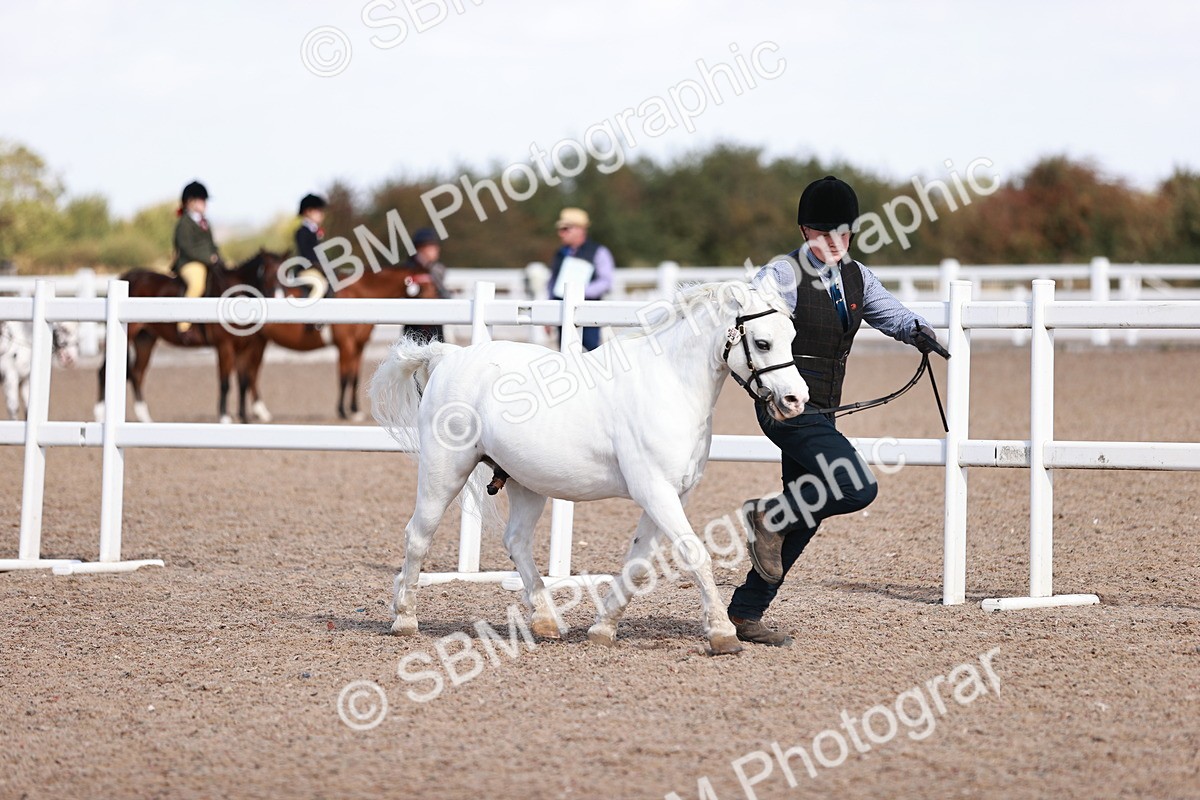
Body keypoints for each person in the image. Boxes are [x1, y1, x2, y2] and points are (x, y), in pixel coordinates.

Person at [727, 175, 948, 647]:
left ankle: (746, 613)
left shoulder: (856, 276)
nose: (835, 244)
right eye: (825, 235)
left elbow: (889, 311)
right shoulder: (778, 278)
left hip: (824, 409)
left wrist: (920, 332)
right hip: (785, 408)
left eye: (843, 235)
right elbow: (752, 332)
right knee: (855, 486)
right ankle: (768, 515)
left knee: (808, 509)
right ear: (806, 232)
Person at [547, 207, 614, 351]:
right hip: (562, 312)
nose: (561, 233)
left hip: (589, 311)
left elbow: (605, 281)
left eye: (566, 229)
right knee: (565, 352)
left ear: (580, 229)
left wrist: (579, 292)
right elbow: (552, 283)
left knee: (591, 352)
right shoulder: (560, 254)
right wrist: (547, 312)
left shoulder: (599, 252)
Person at [172, 180, 223, 338]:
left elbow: (211, 243)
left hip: (207, 261)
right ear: (190, 202)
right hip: (189, 263)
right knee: (197, 284)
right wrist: (208, 258)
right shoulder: (184, 223)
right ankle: (184, 324)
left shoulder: (204, 222)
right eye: (202, 200)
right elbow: (186, 247)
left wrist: (218, 258)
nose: (205, 203)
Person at [402, 227, 450, 343]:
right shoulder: (409, 271)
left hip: (434, 325)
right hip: (415, 326)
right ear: (421, 248)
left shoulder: (436, 269)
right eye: (432, 246)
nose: (437, 249)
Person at [294, 193, 331, 305]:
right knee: (320, 285)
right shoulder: (302, 232)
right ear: (308, 211)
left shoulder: (314, 231)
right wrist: (319, 265)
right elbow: (307, 254)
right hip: (306, 271)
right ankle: (311, 317)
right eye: (319, 211)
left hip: (316, 269)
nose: (322, 214)